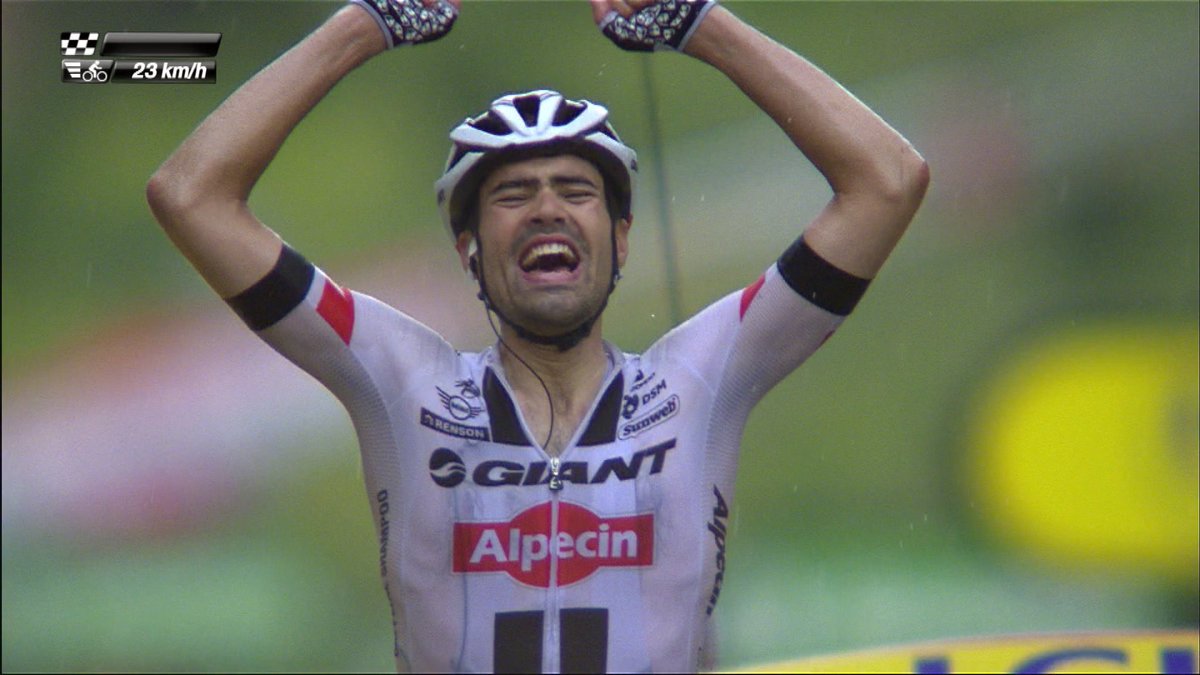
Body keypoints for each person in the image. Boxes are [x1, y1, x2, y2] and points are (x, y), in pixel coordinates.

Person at [146, 0, 928, 671]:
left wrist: (699, 23)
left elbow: (887, 179)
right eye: (514, 193)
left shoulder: (699, 376)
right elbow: (191, 195)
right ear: (469, 249)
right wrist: (365, 25)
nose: (547, 209)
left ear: (621, 240)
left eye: (576, 190)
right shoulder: (403, 382)